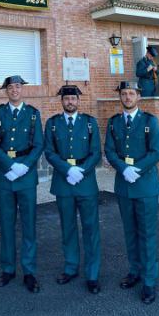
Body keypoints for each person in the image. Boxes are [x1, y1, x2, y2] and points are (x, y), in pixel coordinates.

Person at [103, 80, 159, 305]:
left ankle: (149, 280)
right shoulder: (114, 122)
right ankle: (135, 271)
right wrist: (123, 168)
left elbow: (156, 152)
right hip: (124, 185)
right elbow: (109, 150)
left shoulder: (150, 121)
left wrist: (136, 169)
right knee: (130, 232)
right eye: (124, 93)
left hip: (145, 185)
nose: (127, 97)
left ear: (138, 97)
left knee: (147, 234)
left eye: (131, 93)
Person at [44, 84, 102, 294]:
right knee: (67, 228)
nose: (70, 102)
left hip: (85, 183)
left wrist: (82, 170)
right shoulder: (52, 124)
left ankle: (93, 273)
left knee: (90, 229)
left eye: (73, 98)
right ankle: (70, 268)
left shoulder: (89, 123)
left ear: (78, 101)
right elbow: (49, 152)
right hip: (63, 182)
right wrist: (68, 170)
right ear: (62, 101)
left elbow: (96, 152)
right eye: (66, 99)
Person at [0, 75, 43, 293]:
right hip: (4, 175)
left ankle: (29, 271)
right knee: (6, 225)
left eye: (18, 87)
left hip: (26, 175)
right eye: (10, 87)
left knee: (29, 225)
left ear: (23, 90)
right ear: (6, 91)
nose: (14, 90)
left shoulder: (32, 114)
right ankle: (8, 269)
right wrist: (10, 166)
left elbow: (38, 144)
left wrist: (24, 166)